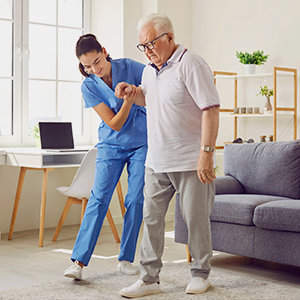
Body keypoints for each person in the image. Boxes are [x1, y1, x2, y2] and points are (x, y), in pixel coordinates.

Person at [115, 13, 220, 298]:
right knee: (151, 219)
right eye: (142, 46)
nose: (147, 50)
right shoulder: (149, 70)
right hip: (157, 160)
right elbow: (152, 99)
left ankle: (201, 273)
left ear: (169, 37)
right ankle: (149, 279)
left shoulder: (192, 64)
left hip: (190, 159)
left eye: (151, 43)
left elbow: (210, 109)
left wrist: (206, 154)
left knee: (195, 219)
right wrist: (133, 92)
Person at [63, 34, 147, 280]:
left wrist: (135, 92)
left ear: (104, 51)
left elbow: (157, 81)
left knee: (134, 200)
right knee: (98, 199)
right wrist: (129, 103)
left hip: (142, 143)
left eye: (97, 61)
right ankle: (78, 262)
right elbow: (114, 123)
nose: (94, 69)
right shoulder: (89, 85)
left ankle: (126, 259)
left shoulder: (130, 66)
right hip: (111, 145)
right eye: (87, 66)